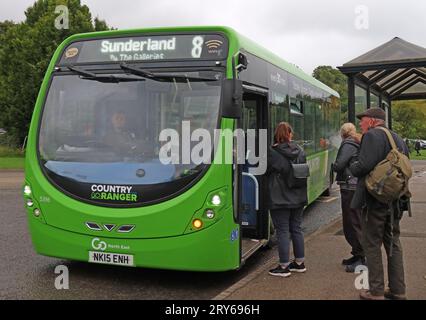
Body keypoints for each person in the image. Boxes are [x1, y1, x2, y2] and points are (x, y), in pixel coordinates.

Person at [349, 107, 409, 300]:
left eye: (363, 120)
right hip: (395, 200)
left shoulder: (372, 136)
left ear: (373, 121)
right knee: (394, 243)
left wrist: (353, 164)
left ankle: (375, 292)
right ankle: (398, 290)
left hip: (375, 200)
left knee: (372, 244)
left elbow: (363, 166)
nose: (360, 123)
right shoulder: (397, 137)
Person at [266, 122, 308, 277]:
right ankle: (299, 263)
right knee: (296, 228)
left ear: (277, 134)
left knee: (282, 230)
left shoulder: (272, 152)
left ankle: (283, 267)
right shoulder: (300, 151)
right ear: (290, 134)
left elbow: (266, 170)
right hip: (298, 195)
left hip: (280, 197)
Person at [332, 123, 365, 273]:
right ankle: (357, 254)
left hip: (349, 186)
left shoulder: (347, 144)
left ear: (343, 133)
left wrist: (333, 165)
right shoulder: (357, 141)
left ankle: (361, 258)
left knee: (352, 222)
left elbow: (339, 165)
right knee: (355, 220)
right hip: (355, 185)